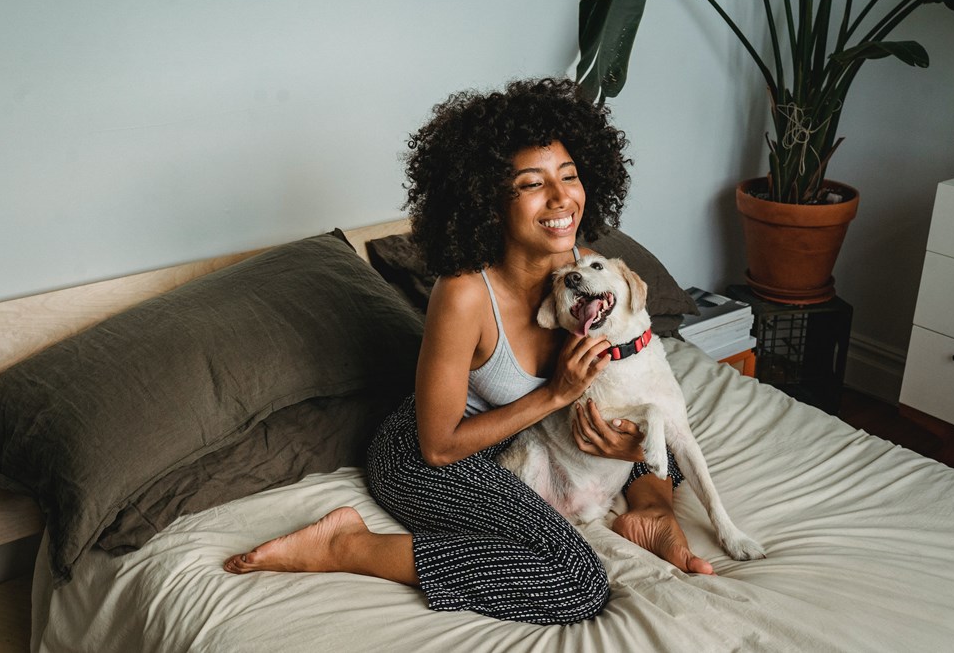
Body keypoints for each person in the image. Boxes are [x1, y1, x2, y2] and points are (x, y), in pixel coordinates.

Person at [223, 78, 714, 625]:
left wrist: (621, 441)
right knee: (574, 583)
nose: (561, 200)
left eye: (569, 176)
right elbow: (439, 446)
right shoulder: (462, 295)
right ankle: (346, 545)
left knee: (658, 430)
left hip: (534, 441)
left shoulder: (586, 270)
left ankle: (649, 511)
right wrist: (556, 395)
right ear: (488, 200)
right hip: (430, 455)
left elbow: (621, 385)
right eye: (532, 184)